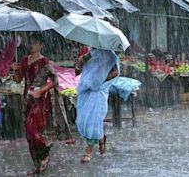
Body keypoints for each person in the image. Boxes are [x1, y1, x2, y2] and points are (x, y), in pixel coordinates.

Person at [11, 33, 73, 175]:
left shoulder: (45, 62)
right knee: (29, 134)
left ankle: (44, 154)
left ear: (41, 45)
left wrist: (40, 91)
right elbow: (17, 79)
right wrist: (15, 69)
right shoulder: (25, 60)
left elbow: (53, 82)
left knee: (32, 129)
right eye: (30, 42)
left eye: (34, 43)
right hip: (27, 99)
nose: (31, 45)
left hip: (40, 101)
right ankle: (37, 163)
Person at [75, 47, 119, 163]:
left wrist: (100, 80)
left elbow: (116, 72)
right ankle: (100, 136)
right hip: (86, 91)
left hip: (99, 91)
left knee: (93, 120)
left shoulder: (110, 55)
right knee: (82, 120)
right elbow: (78, 72)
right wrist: (79, 64)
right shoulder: (88, 55)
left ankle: (88, 151)